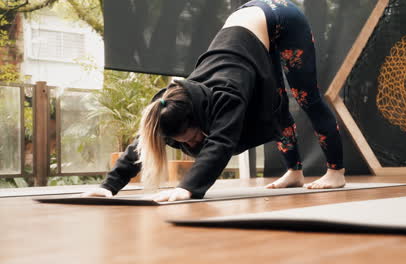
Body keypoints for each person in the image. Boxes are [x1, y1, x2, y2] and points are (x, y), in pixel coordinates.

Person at [82, 0, 345, 202]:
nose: (195, 144)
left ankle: (336, 172)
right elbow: (145, 141)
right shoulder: (172, 106)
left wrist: (187, 189)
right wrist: (108, 186)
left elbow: (220, 143)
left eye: (194, 138)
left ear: (200, 116)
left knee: (306, 97)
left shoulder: (226, 94)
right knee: (276, 104)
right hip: (247, 30)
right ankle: (295, 173)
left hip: (281, 17)